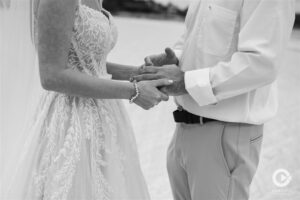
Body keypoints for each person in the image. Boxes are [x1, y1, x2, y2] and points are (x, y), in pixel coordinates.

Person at [3, 0, 174, 199]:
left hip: (105, 120)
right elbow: (52, 75)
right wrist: (133, 91)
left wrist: (139, 74)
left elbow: (89, 63)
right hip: (70, 123)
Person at [135, 0, 295, 199]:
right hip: (183, 130)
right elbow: (196, 38)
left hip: (224, 136)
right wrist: (177, 59)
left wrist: (185, 81)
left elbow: (261, 63)